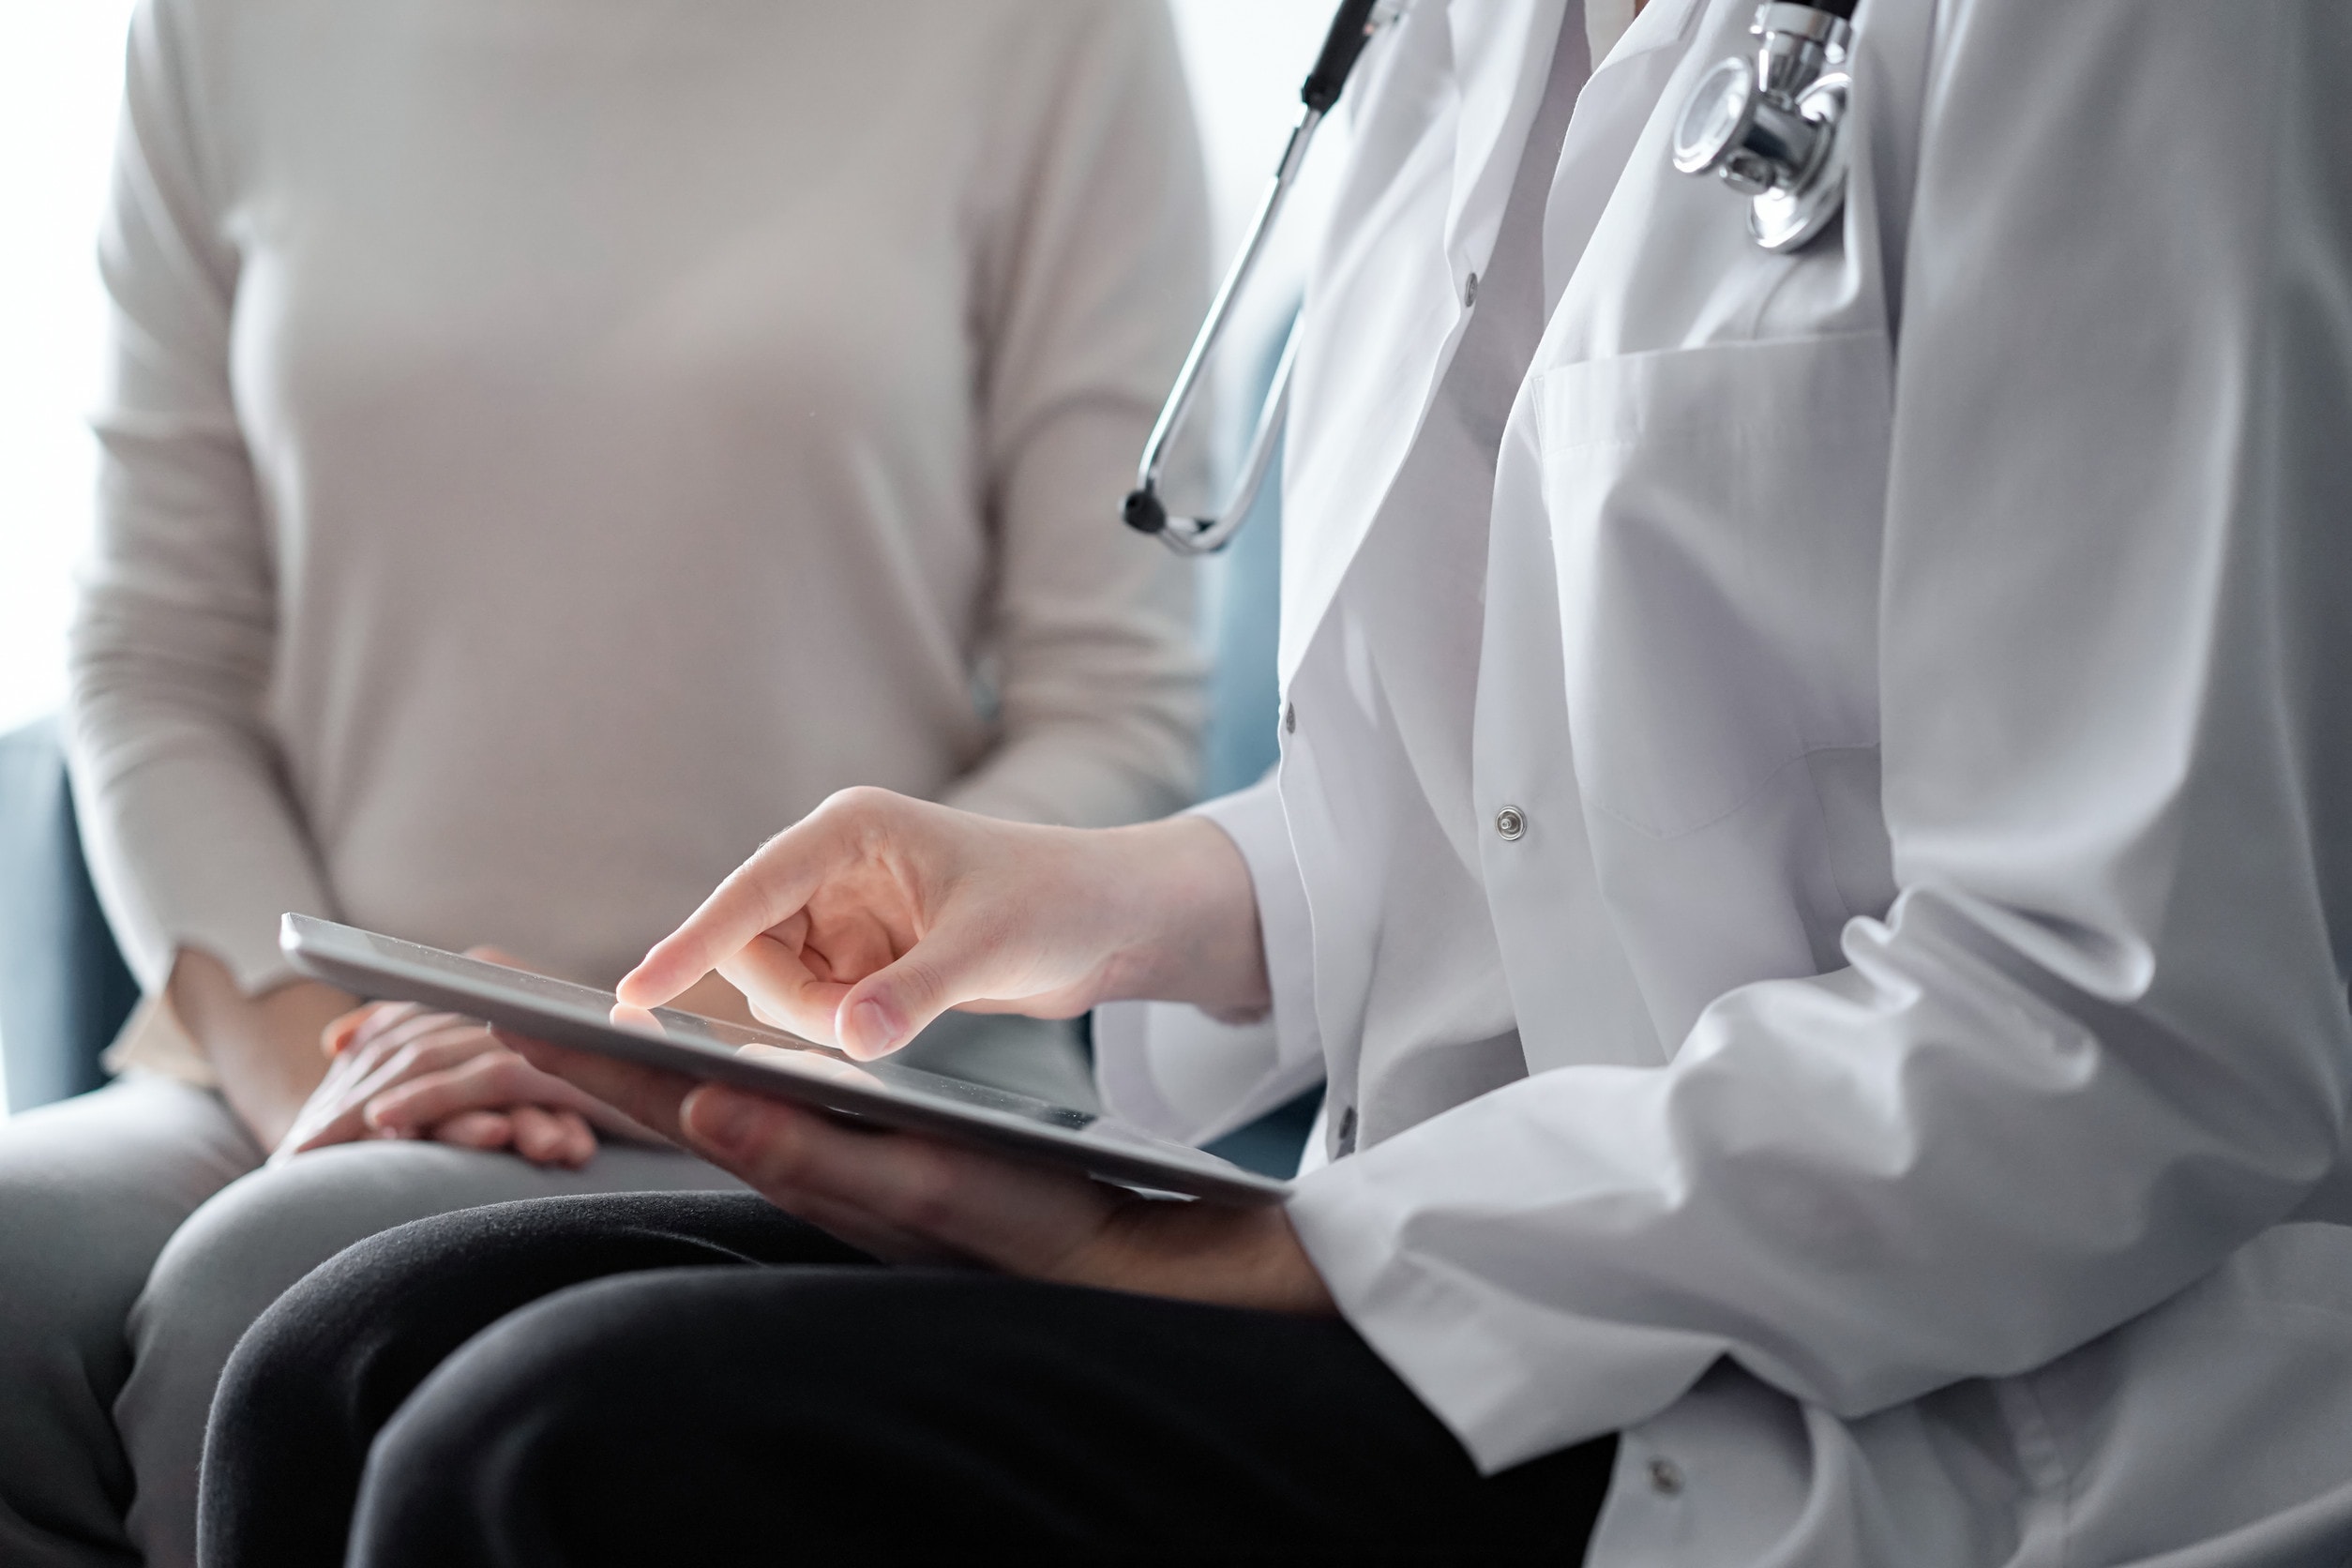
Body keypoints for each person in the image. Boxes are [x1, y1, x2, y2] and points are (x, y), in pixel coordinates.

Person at [202, 0, 2352, 1564]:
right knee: (350, 1346)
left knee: (552, 1449)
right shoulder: (1456, 31)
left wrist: (1320, 1255)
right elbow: (1499, 815)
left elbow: (2126, 1022)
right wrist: (1085, 896)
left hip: (1908, 1385)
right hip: (1440, 1234)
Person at [0, 2, 1209, 1564]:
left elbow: (1110, 701)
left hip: (825, 1076)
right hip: (325, 1055)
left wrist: (660, 1039)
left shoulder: (1053, 32)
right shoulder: (220, 28)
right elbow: (153, 657)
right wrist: (329, 1069)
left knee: (281, 1289)